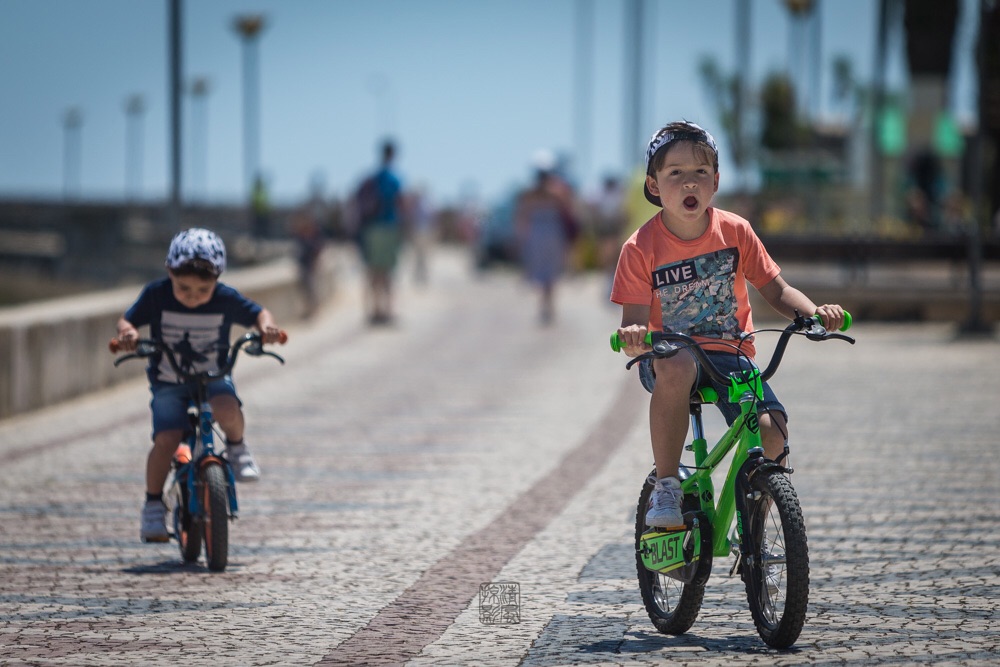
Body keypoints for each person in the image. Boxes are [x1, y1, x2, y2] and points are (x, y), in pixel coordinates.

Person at [611, 121, 846, 529]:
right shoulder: (639, 248)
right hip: (668, 356)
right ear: (653, 185)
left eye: (700, 173)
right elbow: (633, 323)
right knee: (678, 362)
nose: (689, 183)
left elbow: (776, 289)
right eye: (675, 174)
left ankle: (755, 519)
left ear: (716, 181)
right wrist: (633, 339)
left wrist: (814, 313)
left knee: (773, 433)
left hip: (731, 354)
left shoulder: (736, 231)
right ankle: (667, 484)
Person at [114, 228, 283, 543]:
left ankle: (237, 446)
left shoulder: (225, 298)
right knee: (166, 438)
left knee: (227, 406)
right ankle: (153, 505)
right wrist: (129, 335)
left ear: (217, 279)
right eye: (184, 288)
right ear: (169, 272)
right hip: (169, 380)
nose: (193, 296)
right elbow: (128, 321)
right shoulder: (157, 295)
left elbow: (259, 313)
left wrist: (267, 328)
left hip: (214, 375)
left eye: (202, 289)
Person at [514, 154, 578, 325]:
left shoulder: (546, 193)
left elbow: (567, 210)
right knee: (545, 273)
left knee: (548, 272)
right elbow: (523, 217)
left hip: (547, 233)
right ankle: (546, 305)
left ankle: (547, 305)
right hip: (546, 234)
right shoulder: (538, 194)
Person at [354, 139, 404, 324]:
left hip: (372, 229)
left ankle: (374, 310)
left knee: (373, 271)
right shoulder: (394, 178)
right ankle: (388, 311)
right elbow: (401, 203)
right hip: (389, 227)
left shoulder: (372, 177)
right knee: (388, 272)